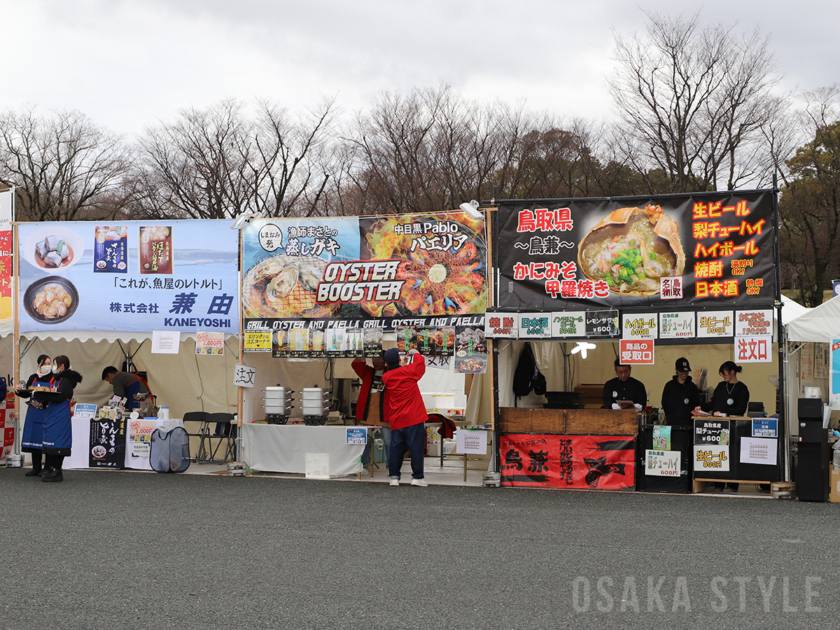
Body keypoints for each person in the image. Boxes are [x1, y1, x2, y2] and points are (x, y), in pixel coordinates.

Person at [696, 361, 749, 492]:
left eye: (724, 373)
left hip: (734, 427)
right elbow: (713, 403)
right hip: (718, 427)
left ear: (732, 372)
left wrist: (724, 413)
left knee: (733, 453)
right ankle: (718, 483)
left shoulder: (742, 388)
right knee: (717, 453)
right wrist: (701, 407)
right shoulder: (720, 386)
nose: (723, 376)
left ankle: (732, 484)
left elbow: (741, 409)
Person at [382, 347, 427, 487]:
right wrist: (415, 353)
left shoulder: (386, 377)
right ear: (399, 359)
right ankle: (417, 477)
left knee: (396, 448)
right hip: (414, 417)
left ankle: (394, 477)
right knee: (416, 448)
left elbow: (398, 371)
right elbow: (420, 364)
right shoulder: (408, 371)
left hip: (397, 418)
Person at [37, 355, 83, 483]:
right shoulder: (57, 379)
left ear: (62, 366)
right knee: (50, 442)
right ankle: (52, 469)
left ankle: (58, 471)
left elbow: (60, 397)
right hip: (52, 414)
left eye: (55, 364)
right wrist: (41, 402)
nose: (53, 366)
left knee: (58, 443)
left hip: (60, 415)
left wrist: (42, 395)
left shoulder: (66, 381)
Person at [15, 354, 53, 477]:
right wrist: (18, 390)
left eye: (49, 363)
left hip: (47, 411)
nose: (47, 366)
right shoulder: (33, 377)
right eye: (45, 363)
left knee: (47, 440)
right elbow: (27, 393)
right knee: (34, 438)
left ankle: (47, 468)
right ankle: (36, 467)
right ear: (38, 365)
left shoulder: (54, 378)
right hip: (34, 411)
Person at [352, 354, 391, 465]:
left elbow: (394, 366)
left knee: (389, 441)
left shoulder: (389, 372)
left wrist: (389, 361)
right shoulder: (368, 372)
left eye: (379, 359)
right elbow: (356, 365)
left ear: (385, 361)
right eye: (373, 359)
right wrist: (363, 354)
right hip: (368, 411)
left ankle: (392, 467)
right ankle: (364, 466)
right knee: (364, 441)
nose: (376, 362)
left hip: (384, 412)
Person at [660, 357, 701, 426]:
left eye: (686, 371)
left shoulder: (692, 387)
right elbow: (664, 403)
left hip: (688, 425)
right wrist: (670, 415)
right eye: (681, 371)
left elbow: (697, 404)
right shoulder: (669, 386)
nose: (684, 373)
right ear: (676, 370)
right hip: (672, 423)